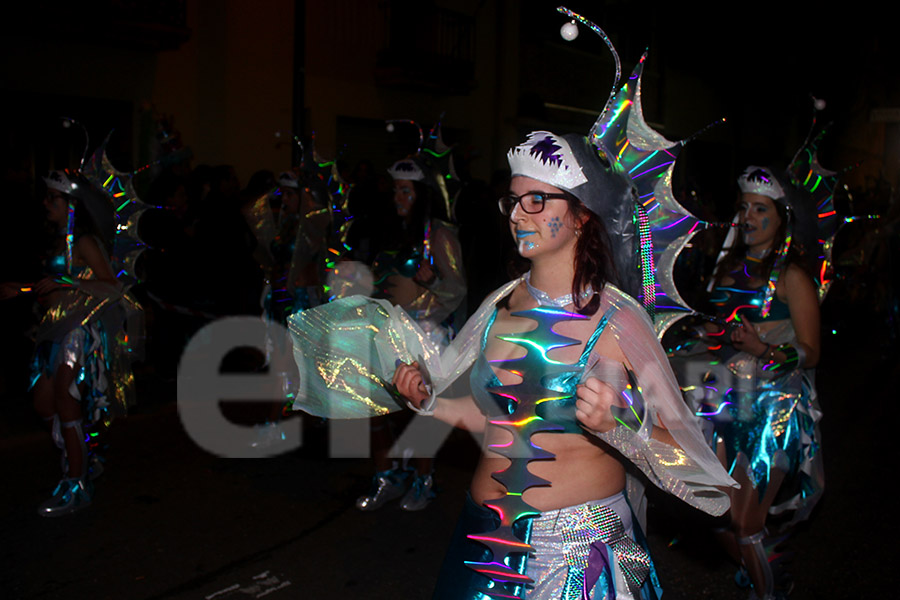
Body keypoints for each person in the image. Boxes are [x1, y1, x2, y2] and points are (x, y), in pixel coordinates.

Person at [388, 131, 735, 598]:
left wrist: (621, 424)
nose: (516, 216)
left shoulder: (616, 320)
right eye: (511, 201)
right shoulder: (497, 305)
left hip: (574, 560)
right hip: (483, 547)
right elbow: (490, 418)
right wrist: (429, 400)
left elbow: (694, 466)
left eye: (536, 200)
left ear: (580, 216)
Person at [699, 166, 824, 600]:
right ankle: (766, 568)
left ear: (781, 218)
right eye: (744, 207)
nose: (748, 216)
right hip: (718, 398)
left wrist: (765, 351)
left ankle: (768, 590)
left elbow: (812, 350)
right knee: (713, 513)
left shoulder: (792, 277)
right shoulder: (723, 271)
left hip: (773, 407)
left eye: (760, 208)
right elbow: (711, 335)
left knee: (746, 520)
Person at [1, 169, 141, 516]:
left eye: (54, 197)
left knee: (66, 398)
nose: (46, 203)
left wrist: (69, 280)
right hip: (52, 328)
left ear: (72, 205)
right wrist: (19, 288)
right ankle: (84, 455)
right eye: (47, 196)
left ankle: (76, 483)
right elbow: (54, 287)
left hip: (78, 331)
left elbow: (111, 287)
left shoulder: (85, 243)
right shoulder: (54, 241)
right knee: (43, 404)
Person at [355, 155, 466, 512]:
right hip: (387, 334)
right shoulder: (391, 232)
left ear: (422, 194)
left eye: (406, 191)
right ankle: (387, 476)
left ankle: (424, 480)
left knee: (423, 414)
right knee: (374, 410)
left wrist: (432, 284)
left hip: (425, 336)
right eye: (396, 191)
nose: (398, 197)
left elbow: (458, 288)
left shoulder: (440, 234)